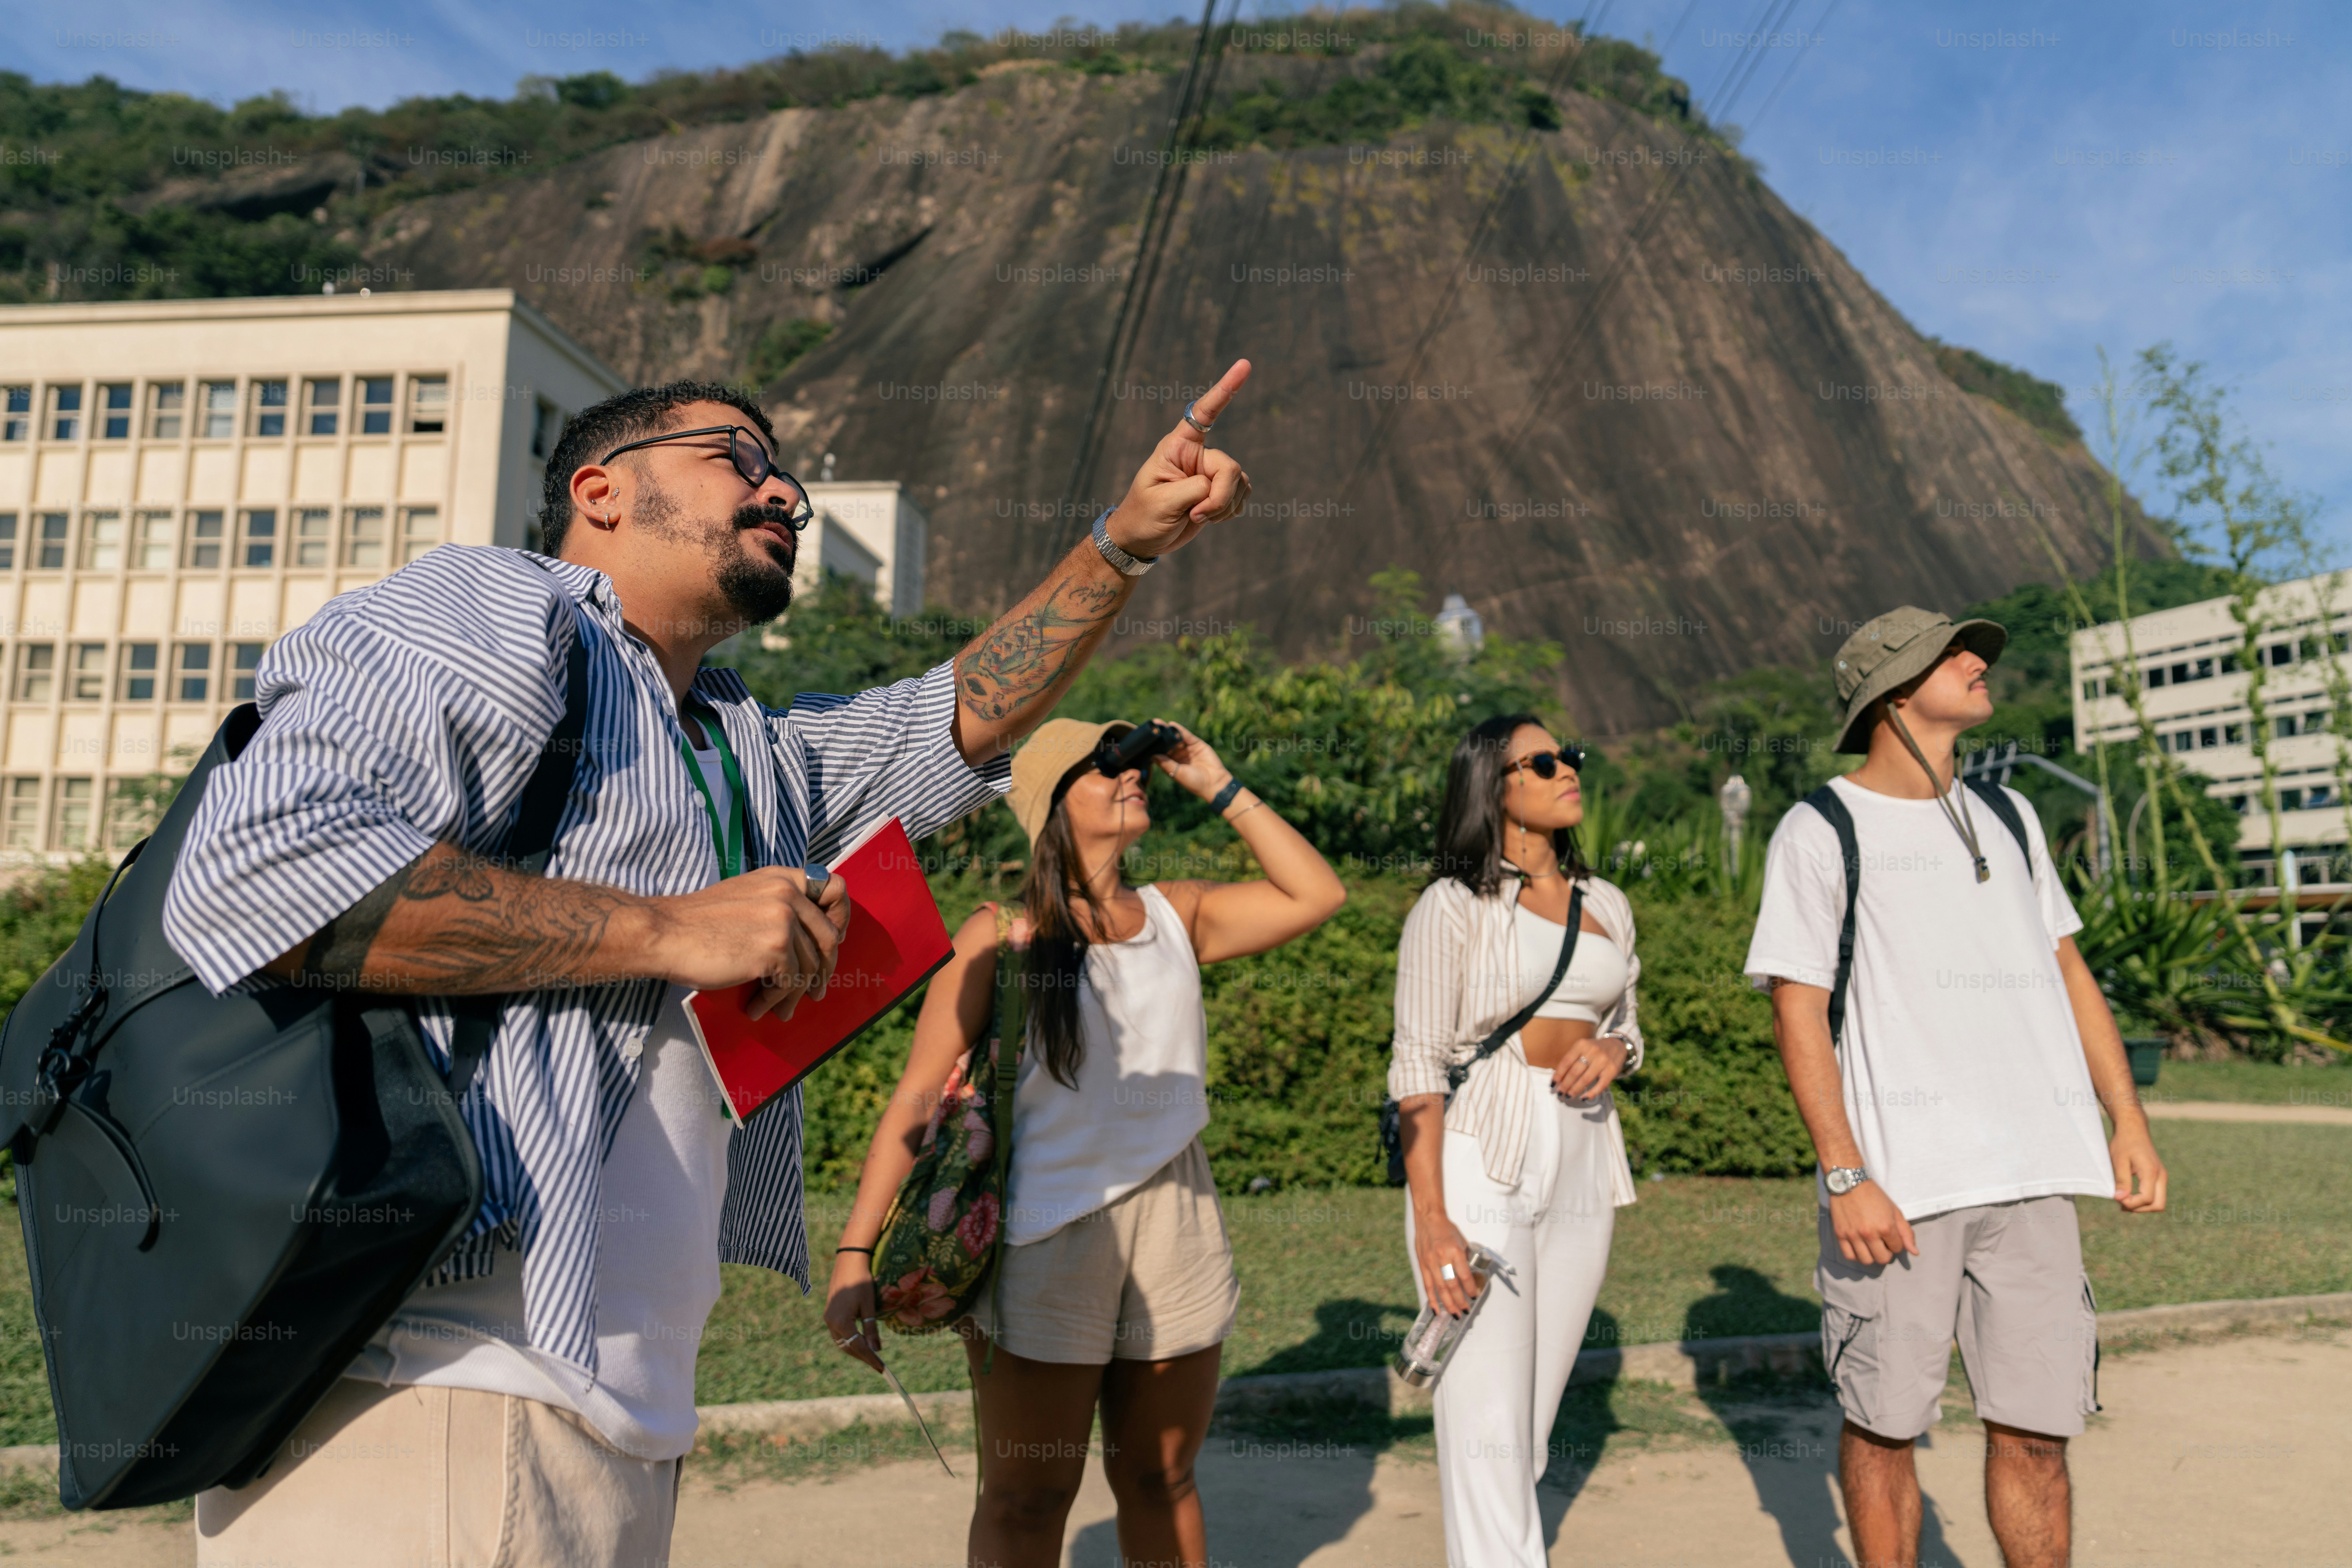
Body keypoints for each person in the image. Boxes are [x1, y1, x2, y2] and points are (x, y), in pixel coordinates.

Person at [164, 367, 1256, 1567]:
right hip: (434, 1385)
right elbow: (258, 869)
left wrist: (1124, 543)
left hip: (608, 1407)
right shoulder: (491, 606)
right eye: (736, 456)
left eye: (785, 470)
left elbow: (964, 711)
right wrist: (672, 928)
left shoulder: (742, 749)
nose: (780, 486)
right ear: (601, 491)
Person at [825, 715, 1344, 1568]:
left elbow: (1316, 894)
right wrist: (855, 1253)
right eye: (1106, 766)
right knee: (1027, 1497)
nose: (1131, 775)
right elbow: (917, 1100)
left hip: (1176, 1229)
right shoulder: (998, 935)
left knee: (1159, 1480)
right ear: (1050, 805)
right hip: (1042, 1240)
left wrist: (1215, 781)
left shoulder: (1178, 913)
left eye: (1134, 762)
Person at [1744, 606, 2168, 1568]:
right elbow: (1797, 1012)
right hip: (1900, 1190)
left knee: (2036, 1435)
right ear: (1891, 698)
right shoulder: (1818, 831)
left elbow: (2068, 975)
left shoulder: (2012, 817)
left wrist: (2128, 1121)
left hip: (2033, 1182)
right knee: (1886, 1427)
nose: (1978, 663)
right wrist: (1846, 1174)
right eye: (1950, 656)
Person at [1388, 713, 1644, 1568]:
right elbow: (1418, 1064)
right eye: (1542, 762)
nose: (1568, 768)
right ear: (1491, 790)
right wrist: (1431, 1219)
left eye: (1569, 754)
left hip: (1583, 1158)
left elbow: (1626, 1022)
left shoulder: (1605, 903)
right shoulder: (1452, 906)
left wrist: (1615, 1050)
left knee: (1525, 1433)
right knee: (1487, 1433)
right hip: (1480, 1156)